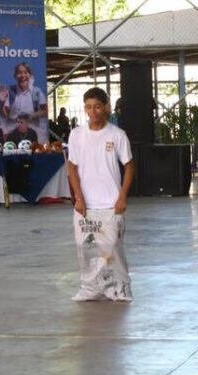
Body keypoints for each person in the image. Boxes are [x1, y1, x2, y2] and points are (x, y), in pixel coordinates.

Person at [67, 87, 134, 301]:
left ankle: (122, 287)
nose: (93, 111)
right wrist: (78, 197)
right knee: (85, 247)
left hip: (110, 204)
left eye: (97, 106)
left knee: (112, 248)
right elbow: (72, 167)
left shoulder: (117, 135)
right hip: (85, 205)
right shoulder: (77, 135)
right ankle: (91, 287)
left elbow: (129, 166)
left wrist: (122, 197)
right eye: (88, 107)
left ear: (106, 106)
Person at [0, 62, 48, 141]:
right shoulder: (10, 91)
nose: (23, 75)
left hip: (32, 133)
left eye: (26, 72)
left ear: (30, 75)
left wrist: (32, 115)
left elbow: (46, 111)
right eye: (19, 73)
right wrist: (1, 103)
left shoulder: (36, 92)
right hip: (13, 134)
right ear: (15, 76)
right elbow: (4, 115)